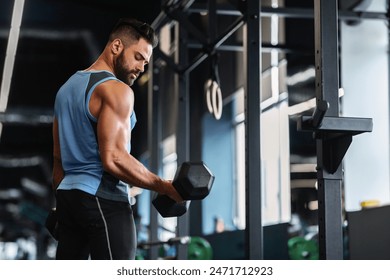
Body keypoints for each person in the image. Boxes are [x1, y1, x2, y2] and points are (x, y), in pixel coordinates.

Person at [52, 18, 183, 260]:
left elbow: (58, 158)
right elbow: (114, 159)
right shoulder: (117, 90)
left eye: (146, 62)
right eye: (138, 57)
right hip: (104, 199)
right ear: (116, 47)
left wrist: (61, 206)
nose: (141, 67)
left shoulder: (65, 90)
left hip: (69, 198)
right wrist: (164, 186)